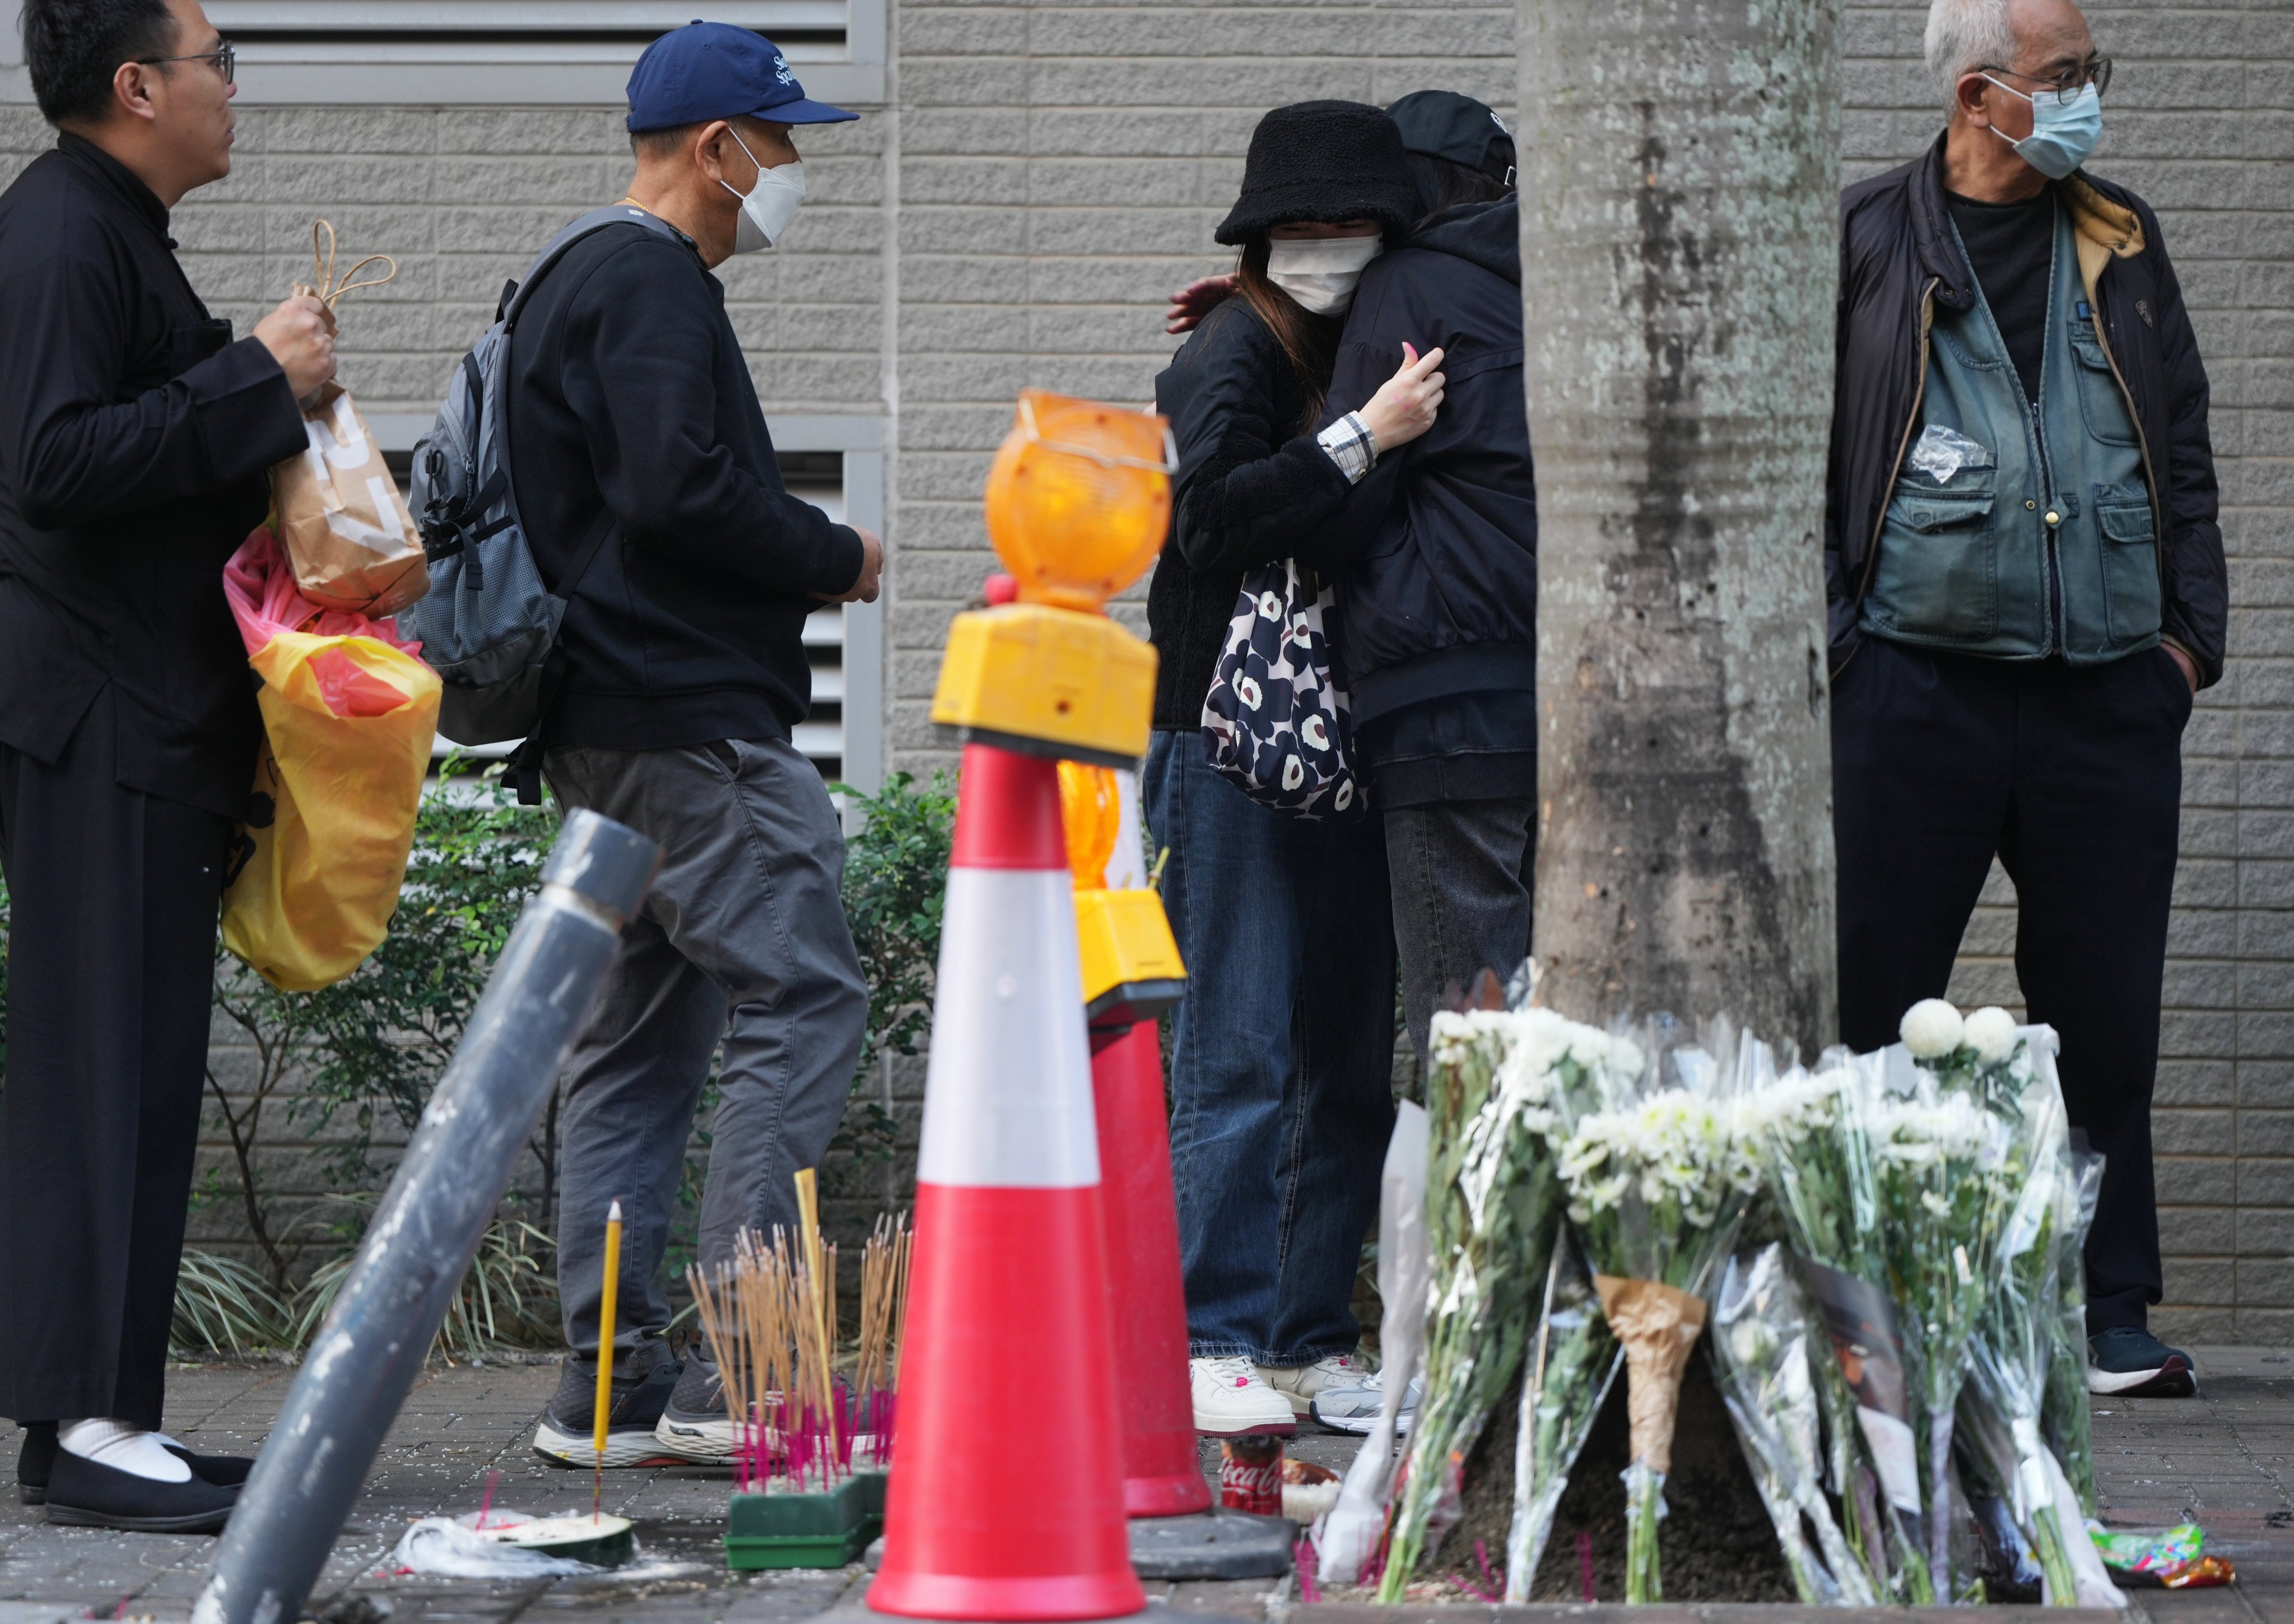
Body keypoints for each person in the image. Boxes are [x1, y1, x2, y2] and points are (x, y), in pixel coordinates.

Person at [1827, 0, 2223, 1399]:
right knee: (1874, 1005)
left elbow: (2175, 437)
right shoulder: (1866, 236)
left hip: (2105, 692)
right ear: (1980, 96)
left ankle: (2102, 1308)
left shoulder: (2119, 235)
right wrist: (1841, 647)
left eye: (2084, 73)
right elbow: (1816, 443)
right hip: (1909, 686)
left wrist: (2185, 646)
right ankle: (1854, 1303)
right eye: (2066, 78)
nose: (2086, 100)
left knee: (2102, 1011)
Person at [511, 21, 880, 1469]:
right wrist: (831, 551)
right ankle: (741, 1376)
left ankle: (606, 1398)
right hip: (691, 720)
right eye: (778, 141)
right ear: (717, 147)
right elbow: (679, 490)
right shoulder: (651, 278)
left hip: (601, 723)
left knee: (637, 1050)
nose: (788, 168)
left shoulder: (564, 273)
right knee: (803, 994)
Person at [0, 0, 333, 1533]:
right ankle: (82, 1426)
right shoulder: (64, 229)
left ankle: (105, 1414)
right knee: (100, 1070)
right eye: (218, 62)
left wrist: (261, 383)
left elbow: (158, 436)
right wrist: (252, 375)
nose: (234, 89)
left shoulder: (110, 226)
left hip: (142, 720)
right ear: (136, 85)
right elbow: (58, 464)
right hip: (98, 721)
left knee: (131, 1070)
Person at [1147, 99, 1444, 1437]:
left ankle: (1312, 1334)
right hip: (1224, 739)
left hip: (1347, 735)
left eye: (1351, 223)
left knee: (1341, 1056)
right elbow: (1205, 519)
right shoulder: (1232, 343)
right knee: (1240, 1045)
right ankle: (1212, 1332)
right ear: (1260, 234)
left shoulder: (1381, 340)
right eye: (1301, 225)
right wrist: (1358, 435)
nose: (1326, 244)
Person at [1288, 92, 1534, 1437]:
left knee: (1462, 1029)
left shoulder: (1406, 286)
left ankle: (1463, 1341)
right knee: (1550, 1016)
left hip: (1442, 703)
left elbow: (1348, 502)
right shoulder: (1569, 272)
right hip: (1571, 701)